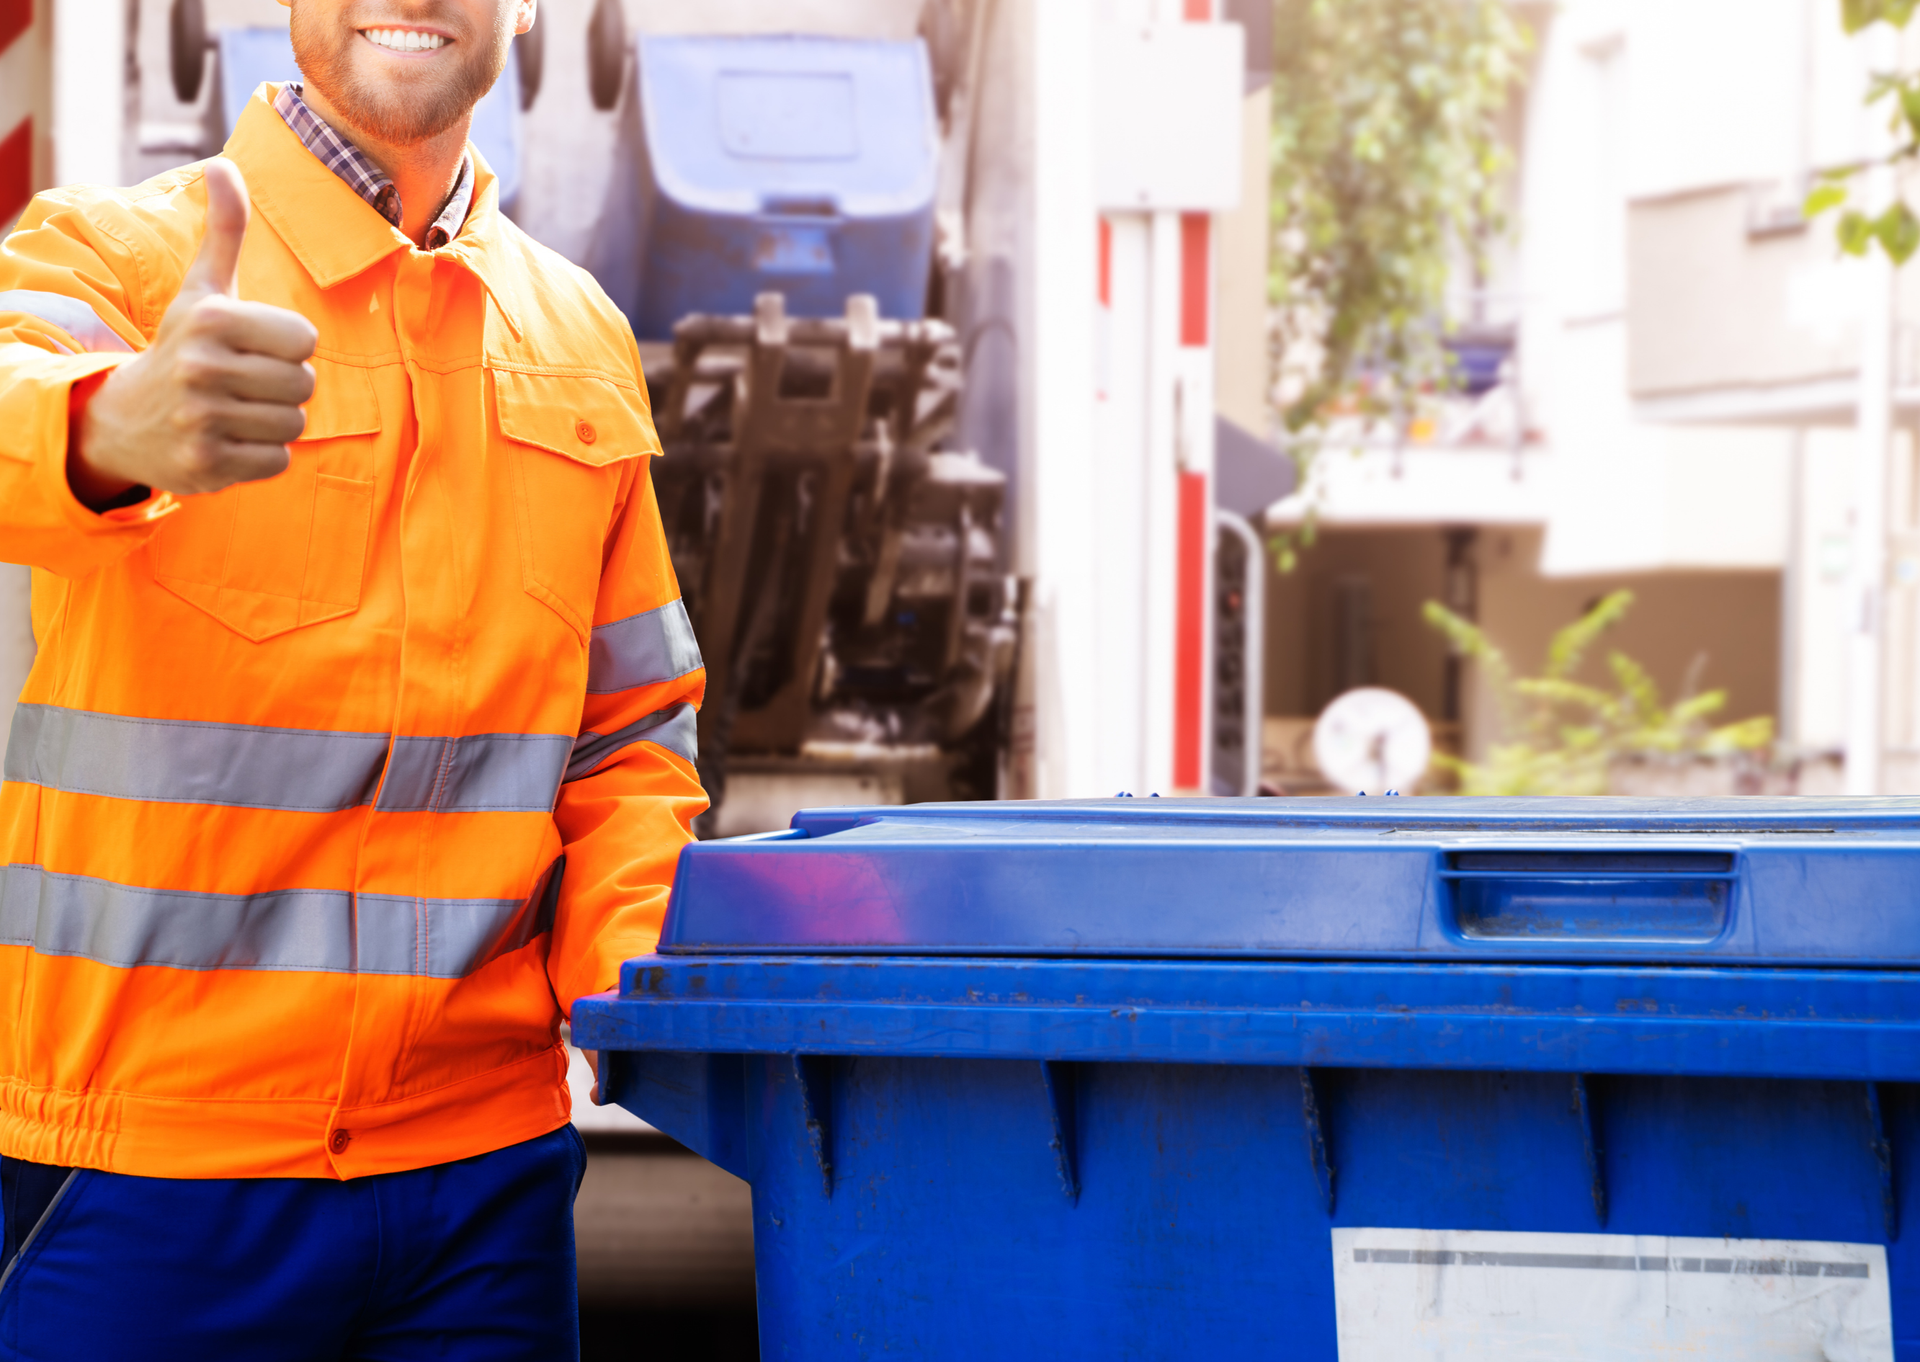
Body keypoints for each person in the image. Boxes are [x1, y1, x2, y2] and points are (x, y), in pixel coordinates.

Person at [0, 0, 706, 1354]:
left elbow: (627, 740)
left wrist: (640, 991)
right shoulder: (120, 259)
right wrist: (104, 426)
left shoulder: (581, 338)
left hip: (479, 1195)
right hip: (147, 1173)